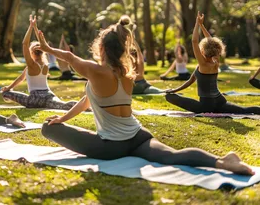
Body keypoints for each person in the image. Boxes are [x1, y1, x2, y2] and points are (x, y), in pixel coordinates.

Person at [37, 15, 253, 175]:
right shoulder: (127, 75)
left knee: (47, 127)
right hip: (139, 135)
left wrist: (46, 48)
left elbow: (68, 56)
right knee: (172, 156)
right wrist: (63, 118)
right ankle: (224, 161)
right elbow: (87, 102)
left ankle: (224, 162)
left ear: (101, 48)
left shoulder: (96, 71)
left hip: (112, 147)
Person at [165, 12, 260, 114]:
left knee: (169, 97)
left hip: (206, 105)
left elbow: (194, 41)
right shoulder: (215, 61)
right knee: (244, 110)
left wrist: (197, 23)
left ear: (202, 51)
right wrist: (202, 25)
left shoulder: (203, 64)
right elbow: (190, 81)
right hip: (220, 101)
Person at [1, 16, 78, 110]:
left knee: (5, 93)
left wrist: (31, 27)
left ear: (32, 52)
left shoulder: (31, 65)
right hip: (49, 95)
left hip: (35, 99)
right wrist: (35, 27)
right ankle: (84, 105)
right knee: (63, 105)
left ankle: (6, 95)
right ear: (42, 51)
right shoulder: (45, 65)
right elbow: (43, 45)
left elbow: (25, 44)